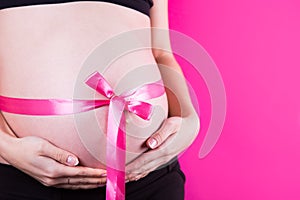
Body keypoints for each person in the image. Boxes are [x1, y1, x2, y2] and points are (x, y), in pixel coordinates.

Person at [0, 0, 200, 199]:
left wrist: (190, 118)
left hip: (148, 176)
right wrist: (5, 147)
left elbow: (162, 54)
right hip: (25, 178)